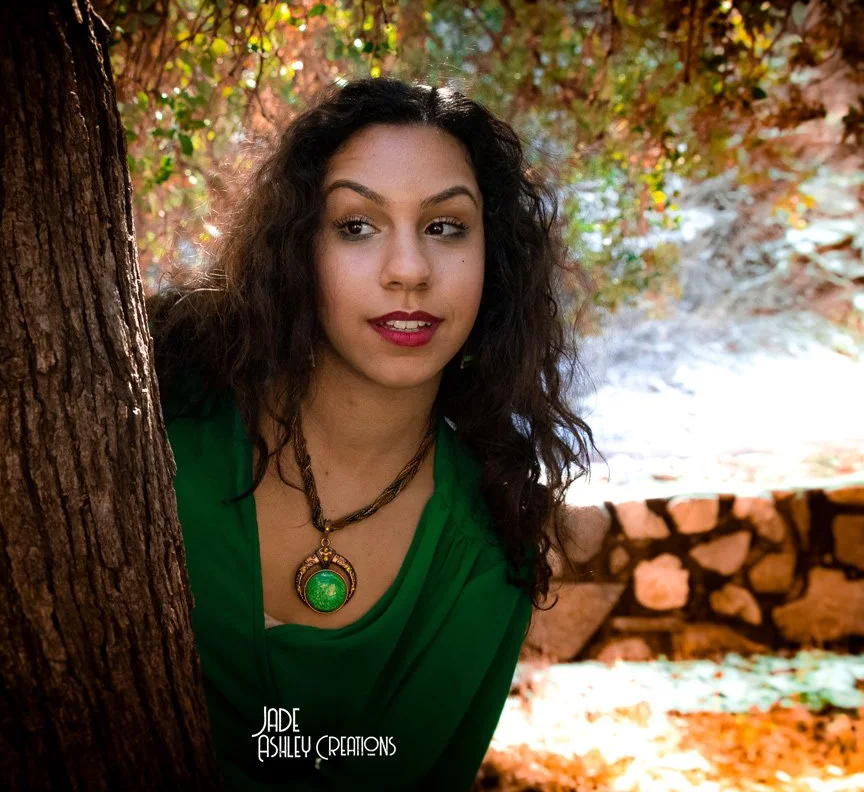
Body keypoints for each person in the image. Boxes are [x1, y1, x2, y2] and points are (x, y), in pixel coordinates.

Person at [147, 76, 597, 790]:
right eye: (357, 226)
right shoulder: (161, 429)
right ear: (298, 246)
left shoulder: (486, 548)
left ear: (494, 258)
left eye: (445, 227)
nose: (409, 272)